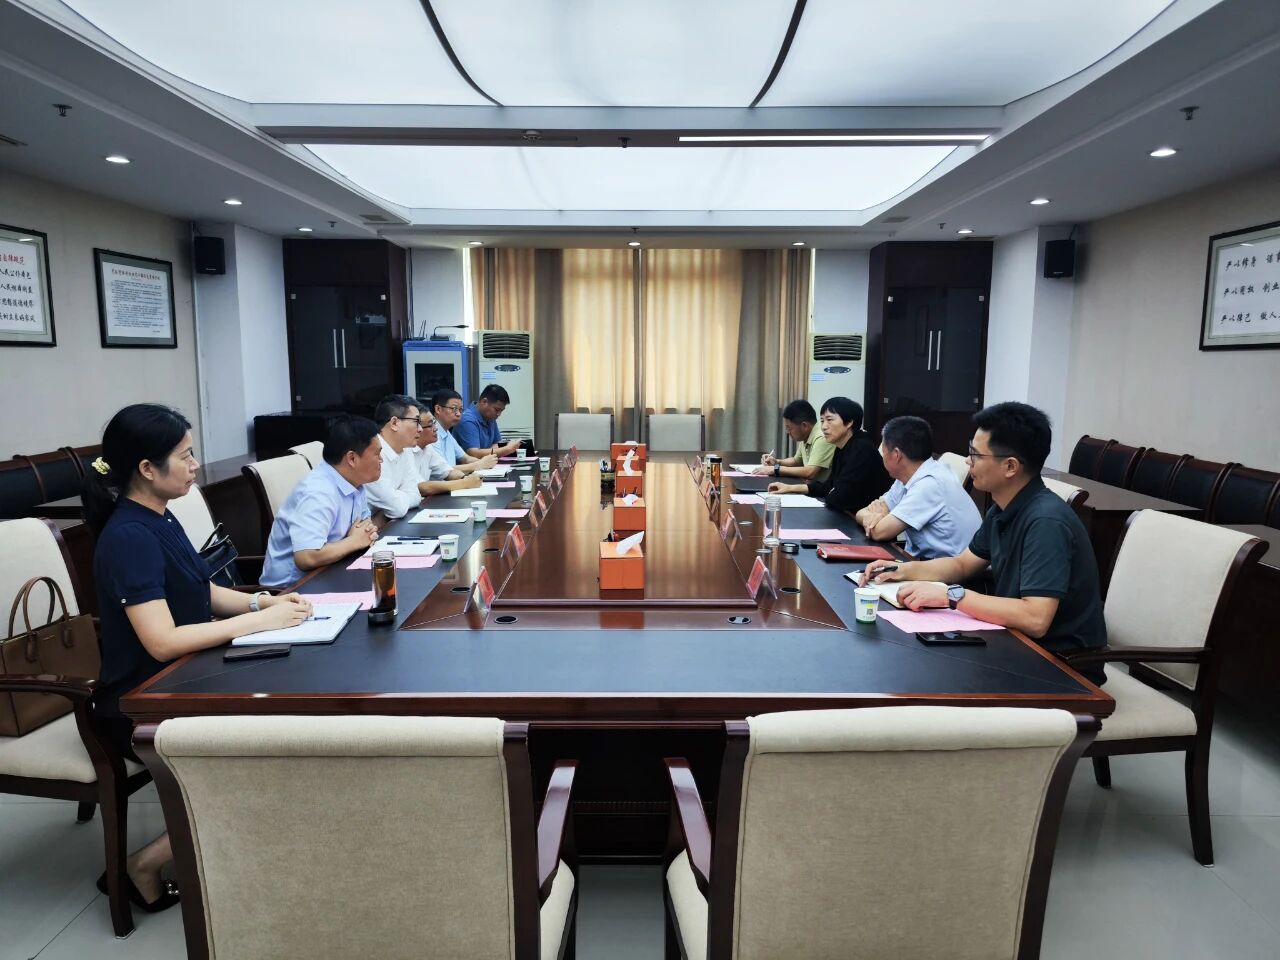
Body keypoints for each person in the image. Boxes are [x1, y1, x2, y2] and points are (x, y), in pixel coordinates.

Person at [84, 404, 312, 910]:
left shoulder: (160, 515)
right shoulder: (129, 536)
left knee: (288, 711)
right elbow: (161, 641)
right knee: (269, 750)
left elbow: (199, 590)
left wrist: (263, 602)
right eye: (185, 456)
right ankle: (143, 864)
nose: (195, 465)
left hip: (186, 676)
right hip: (142, 699)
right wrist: (259, 623)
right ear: (147, 468)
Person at [860, 402, 1107, 684]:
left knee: (917, 678)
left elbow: (1035, 619)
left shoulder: (1046, 522)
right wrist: (900, 570)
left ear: (1010, 466)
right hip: (1015, 644)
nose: (968, 462)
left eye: (976, 455)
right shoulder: (1003, 509)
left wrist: (951, 596)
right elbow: (962, 564)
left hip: (1059, 667)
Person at [260, 414, 382, 588]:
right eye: (377, 454)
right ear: (352, 459)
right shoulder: (318, 492)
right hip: (292, 589)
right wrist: (354, 542)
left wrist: (359, 538)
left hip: (333, 570)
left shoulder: (354, 481)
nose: (381, 460)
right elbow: (306, 557)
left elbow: (365, 529)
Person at [853, 415, 981, 559]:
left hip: (951, 568)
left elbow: (879, 532)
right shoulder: (907, 476)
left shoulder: (930, 484)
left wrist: (872, 518)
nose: (882, 456)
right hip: (921, 560)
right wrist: (871, 517)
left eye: (884, 451)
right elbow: (861, 513)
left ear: (896, 455)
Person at [767, 397, 890, 515]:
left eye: (829, 420)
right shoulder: (841, 446)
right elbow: (828, 486)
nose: (824, 426)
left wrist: (832, 492)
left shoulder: (861, 449)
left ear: (849, 422)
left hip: (868, 519)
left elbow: (840, 498)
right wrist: (789, 488)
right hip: (850, 514)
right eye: (822, 421)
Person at [364, 395, 481, 518]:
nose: (420, 429)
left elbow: (416, 495)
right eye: (416, 422)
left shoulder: (403, 450)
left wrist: (392, 505)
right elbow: (397, 508)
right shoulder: (372, 455)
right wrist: (398, 501)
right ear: (394, 423)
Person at [751, 399, 835, 482]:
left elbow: (810, 472)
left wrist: (775, 469)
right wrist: (777, 462)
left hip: (822, 489)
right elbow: (796, 461)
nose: (788, 432)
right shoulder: (807, 435)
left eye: (789, 428)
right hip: (809, 485)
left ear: (804, 426)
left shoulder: (822, 436)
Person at [428, 389, 499, 475]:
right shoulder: (430, 434)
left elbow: (466, 458)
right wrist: (480, 464)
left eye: (460, 409)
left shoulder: (446, 432)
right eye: (454, 409)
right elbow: (444, 469)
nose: (458, 414)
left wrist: (486, 462)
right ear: (438, 409)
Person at [454, 384, 523, 459]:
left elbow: (497, 444)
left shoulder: (490, 417)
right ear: (484, 402)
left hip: (487, 464)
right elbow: (474, 454)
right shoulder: (467, 420)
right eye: (497, 410)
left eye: (501, 411)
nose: (499, 414)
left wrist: (487, 452)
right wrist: (507, 449)